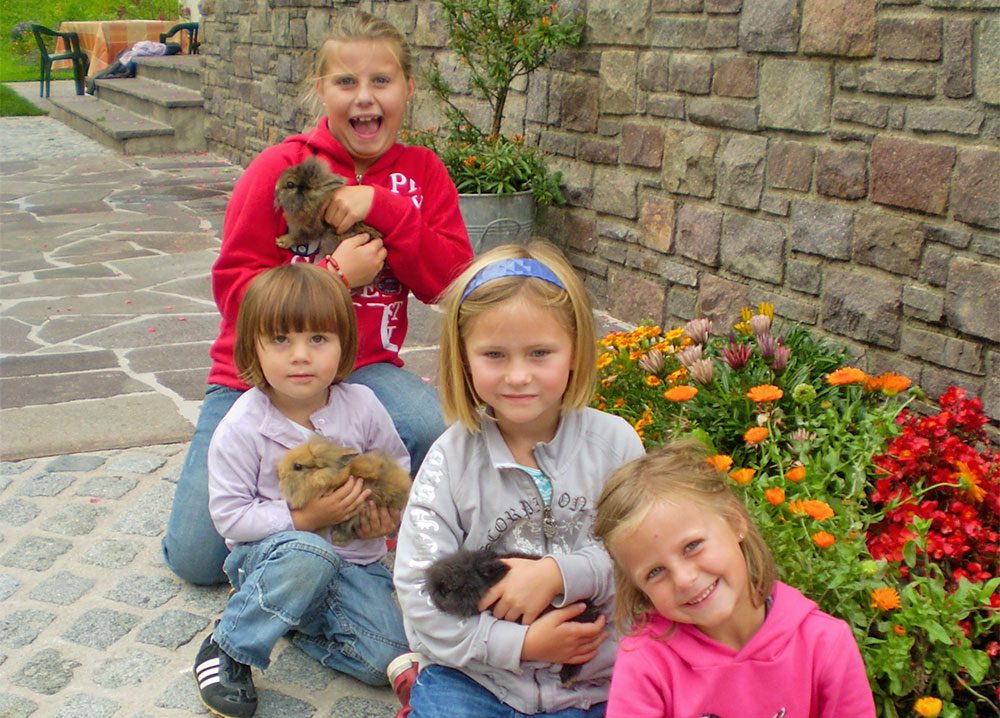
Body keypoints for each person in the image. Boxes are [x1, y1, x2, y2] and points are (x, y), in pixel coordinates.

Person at [162, 10, 472, 586]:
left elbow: (451, 281)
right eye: (346, 82)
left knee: (427, 425)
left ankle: (392, 533)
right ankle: (289, 530)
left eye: (381, 81)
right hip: (254, 375)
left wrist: (386, 209)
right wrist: (332, 277)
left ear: (408, 88)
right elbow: (235, 287)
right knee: (198, 562)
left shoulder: (422, 176)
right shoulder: (280, 169)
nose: (364, 98)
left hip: (360, 373)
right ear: (320, 89)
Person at [393, 242, 647, 717]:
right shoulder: (450, 459)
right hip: (477, 679)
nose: (517, 376)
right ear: (464, 359)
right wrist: (522, 643)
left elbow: (646, 560)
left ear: (574, 351)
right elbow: (420, 594)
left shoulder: (616, 445)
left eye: (539, 353)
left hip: (593, 682)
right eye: (494, 354)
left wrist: (560, 574)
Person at [192, 263, 413, 718]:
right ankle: (229, 645)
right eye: (281, 340)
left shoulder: (363, 406)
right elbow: (230, 516)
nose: (300, 356)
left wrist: (388, 515)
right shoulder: (244, 425)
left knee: (385, 656)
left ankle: (290, 617)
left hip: (356, 564)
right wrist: (303, 521)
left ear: (343, 343)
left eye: (318, 339)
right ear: (252, 345)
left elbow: (397, 466)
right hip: (275, 556)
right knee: (309, 554)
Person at [592, 440, 877, 718]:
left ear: (734, 520)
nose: (684, 579)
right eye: (655, 572)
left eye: (692, 546)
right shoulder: (646, 664)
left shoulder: (824, 644)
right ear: (638, 588)